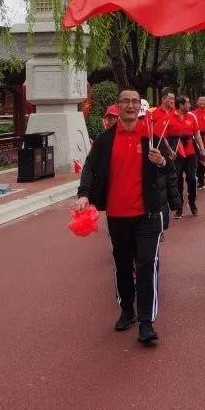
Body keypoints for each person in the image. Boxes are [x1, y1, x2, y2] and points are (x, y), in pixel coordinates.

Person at [75, 88, 168, 345]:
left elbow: (168, 165)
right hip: (117, 215)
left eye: (134, 102)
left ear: (140, 107)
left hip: (148, 214)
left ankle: (147, 322)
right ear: (117, 106)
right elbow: (90, 168)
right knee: (124, 266)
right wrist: (84, 194)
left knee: (147, 265)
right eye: (125, 101)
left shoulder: (151, 137)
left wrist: (160, 161)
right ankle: (127, 309)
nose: (130, 105)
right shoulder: (105, 140)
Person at [168, 96, 205, 217]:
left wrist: (202, 149)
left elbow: (197, 134)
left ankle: (192, 201)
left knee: (192, 178)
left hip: (190, 153)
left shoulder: (191, 117)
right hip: (176, 154)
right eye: (187, 103)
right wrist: (170, 150)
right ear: (180, 105)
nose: (190, 105)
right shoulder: (169, 118)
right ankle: (179, 206)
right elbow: (164, 137)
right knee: (178, 180)